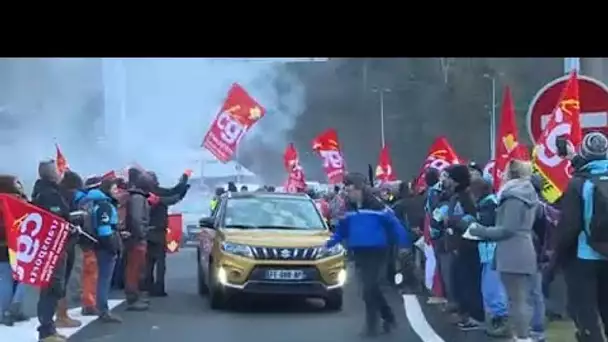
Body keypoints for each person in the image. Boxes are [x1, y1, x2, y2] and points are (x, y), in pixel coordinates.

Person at [326, 172, 411, 337]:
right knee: (368, 289)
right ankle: (388, 316)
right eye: (346, 190)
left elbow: (395, 226)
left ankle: (372, 326)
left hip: (378, 252)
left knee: (369, 288)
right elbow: (342, 231)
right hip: (359, 252)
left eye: (349, 190)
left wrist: (403, 245)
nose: (347, 193)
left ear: (359, 189)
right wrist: (329, 243)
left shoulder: (377, 206)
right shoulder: (348, 209)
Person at [468, 159, 539, 342]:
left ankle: (522, 337)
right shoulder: (528, 193)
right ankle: (523, 335)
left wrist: (479, 230)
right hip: (522, 248)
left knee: (516, 299)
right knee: (520, 298)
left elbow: (507, 229)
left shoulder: (514, 196)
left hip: (513, 251)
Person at [552, 131, 608, 342]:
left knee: (586, 314)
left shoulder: (578, 183)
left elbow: (570, 227)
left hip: (585, 257)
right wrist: (571, 157)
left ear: (584, 152)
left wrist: (556, 259)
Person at [31, 160, 79, 342]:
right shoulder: (49, 194)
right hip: (54, 249)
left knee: (51, 289)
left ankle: (49, 328)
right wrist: (71, 226)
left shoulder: (43, 191)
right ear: (51, 174)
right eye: (58, 171)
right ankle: (46, 333)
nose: (61, 174)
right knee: (51, 289)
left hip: (50, 249)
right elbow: (56, 220)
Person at [444, 164, 485, 330]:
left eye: (449, 178)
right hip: (457, 245)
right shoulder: (455, 196)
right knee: (458, 281)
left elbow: (473, 219)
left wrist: (452, 221)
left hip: (467, 246)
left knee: (468, 282)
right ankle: (463, 312)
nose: (446, 181)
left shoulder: (467, 196)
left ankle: (474, 316)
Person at [468, 176, 509, 337]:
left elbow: (489, 225)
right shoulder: (486, 203)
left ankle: (502, 320)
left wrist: (474, 227)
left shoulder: (490, 204)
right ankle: (495, 319)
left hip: (493, 250)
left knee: (494, 287)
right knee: (488, 287)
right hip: (486, 251)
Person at [145, 171, 190, 297]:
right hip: (158, 231)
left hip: (146, 231)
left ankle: (147, 286)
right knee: (160, 261)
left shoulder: (141, 193)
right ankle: (159, 288)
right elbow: (173, 196)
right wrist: (184, 182)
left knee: (148, 261)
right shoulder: (158, 194)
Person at [0, 175, 29, 326]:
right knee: (18, 278)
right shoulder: (15, 202)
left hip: (5, 247)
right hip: (14, 245)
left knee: (7, 280)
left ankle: (9, 311)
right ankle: (9, 311)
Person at [124, 169, 153, 311]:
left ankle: (135, 296)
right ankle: (132, 298)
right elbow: (136, 219)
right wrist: (141, 233)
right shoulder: (138, 198)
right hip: (136, 239)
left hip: (137, 237)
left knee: (137, 268)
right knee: (135, 269)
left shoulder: (137, 197)